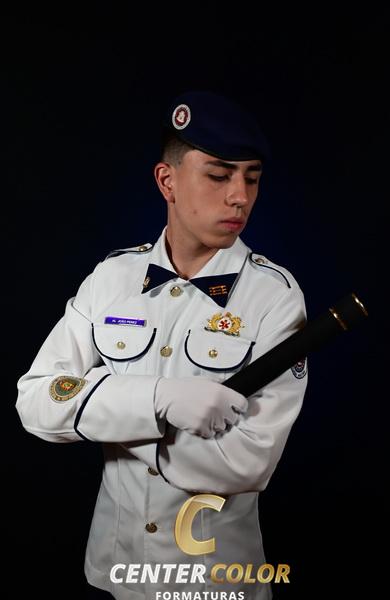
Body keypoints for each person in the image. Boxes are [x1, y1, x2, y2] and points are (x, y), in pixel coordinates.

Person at [16, 91, 308, 600]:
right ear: (167, 181)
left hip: (214, 583)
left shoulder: (274, 297)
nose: (240, 196)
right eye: (219, 176)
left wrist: (104, 411)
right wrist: (157, 399)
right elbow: (37, 401)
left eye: (252, 178)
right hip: (112, 572)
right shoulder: (111, 278)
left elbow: (249, 460)